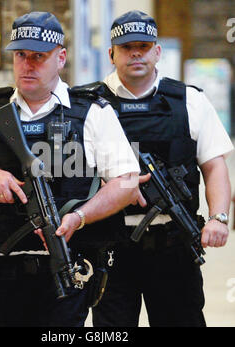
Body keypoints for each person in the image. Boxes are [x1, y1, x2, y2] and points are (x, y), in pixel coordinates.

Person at [0, 12, 146, 327]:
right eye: (21, 55)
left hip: (70, 267)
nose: (27, 64)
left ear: (61, 58)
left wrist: (80, 216)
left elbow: (127, 182)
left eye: (39, 56)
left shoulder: (92, 112)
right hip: (2, 272)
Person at [81, 10, 233, 327]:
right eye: (126, 47)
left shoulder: (189, 101)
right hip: (110, 245)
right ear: (111, 54)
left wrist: (219, 217)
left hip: (173, 243)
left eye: (144, 45)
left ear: (157, 52)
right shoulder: (88, 105)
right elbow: (71, 173)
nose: (136, 53)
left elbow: (214, 165)